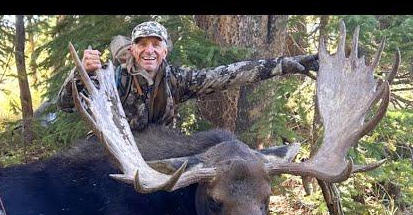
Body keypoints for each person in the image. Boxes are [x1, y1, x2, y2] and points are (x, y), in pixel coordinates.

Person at [57, 21, 319, 131]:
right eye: (143, 44)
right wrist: (81, 74)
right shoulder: (111, 77)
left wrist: (284, 64)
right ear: (133, 49)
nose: (149, 50)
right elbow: (65, 104)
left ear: (165, 50)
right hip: (113, 160)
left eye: (156, 45)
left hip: (157, 158)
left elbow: (228, 74)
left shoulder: (176, 80)